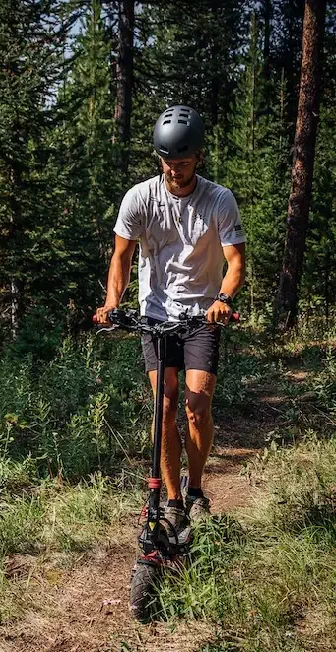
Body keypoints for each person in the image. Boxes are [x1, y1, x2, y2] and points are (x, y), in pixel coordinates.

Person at [95, 105, 246, 532]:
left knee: (197, 407)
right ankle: (173, 501)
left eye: (182, 163)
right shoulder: (140, 198)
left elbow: (235, 262)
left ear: (198, 157)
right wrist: (111, 302)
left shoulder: (218, 200)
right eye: (167, 162)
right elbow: (121, 257)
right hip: (156, 315)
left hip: (202, 314)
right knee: (164, 407)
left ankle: (195, 489)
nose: (174, 171)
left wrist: (223, 298)